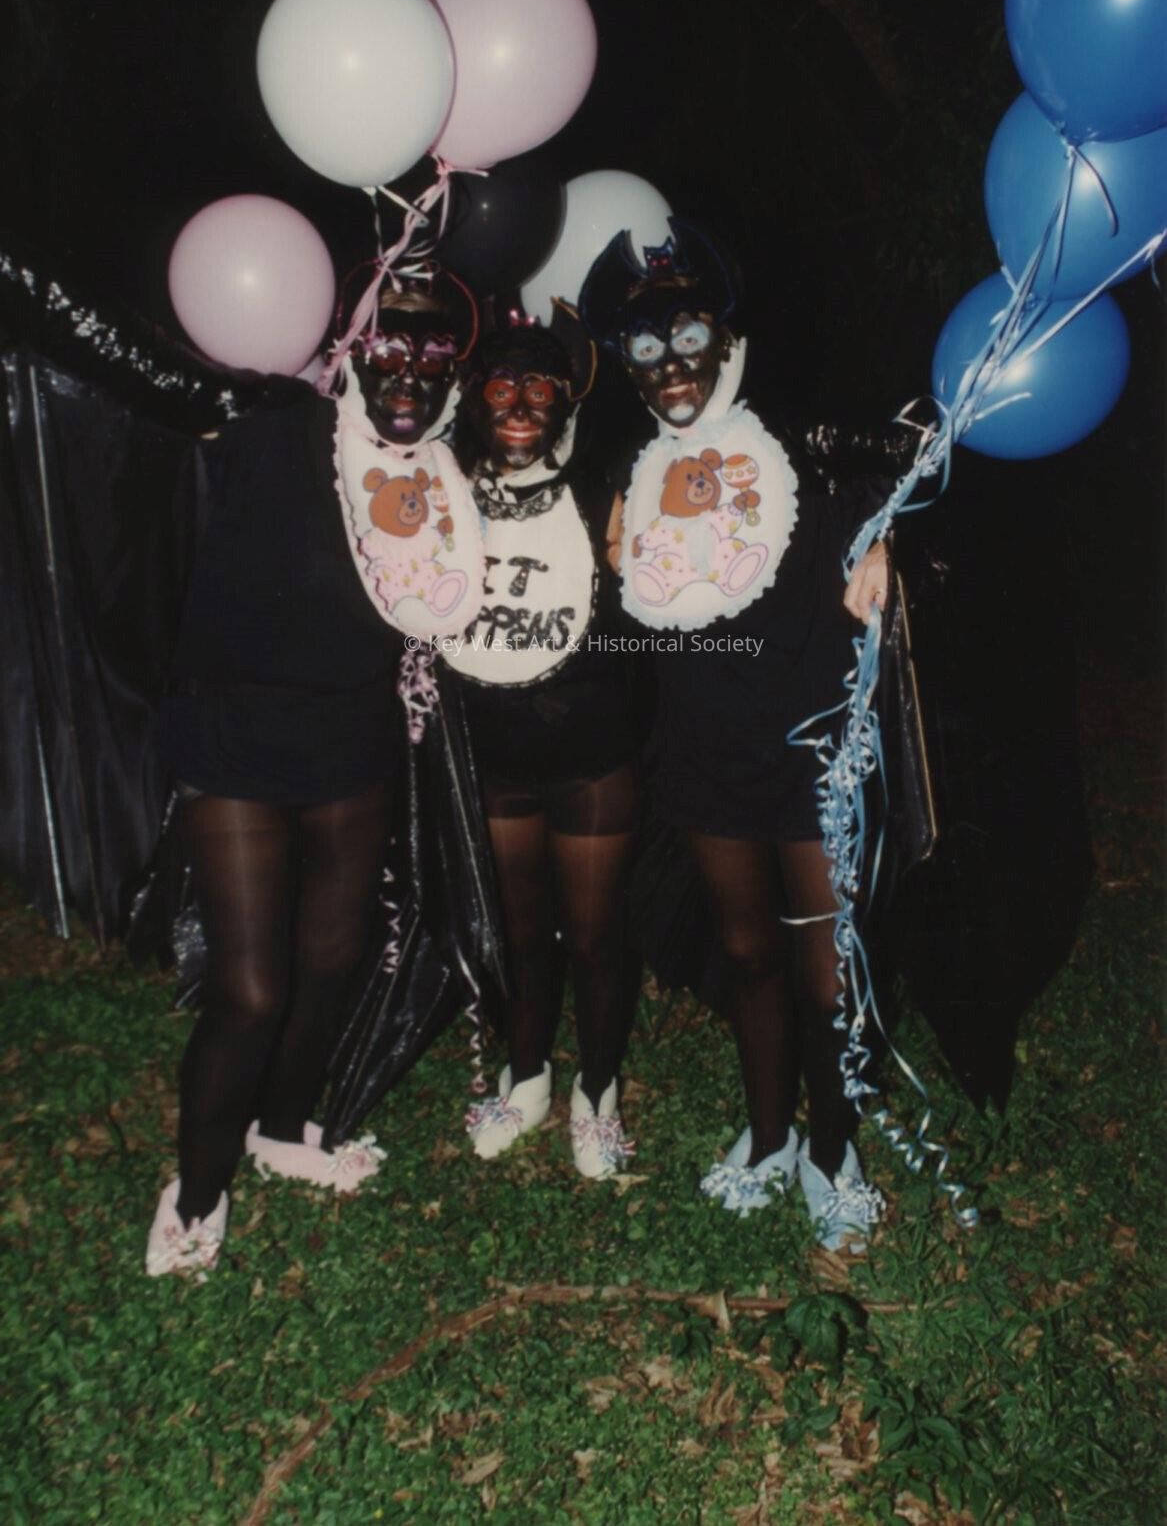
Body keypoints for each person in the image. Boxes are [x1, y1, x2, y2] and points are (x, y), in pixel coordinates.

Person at [144, 263, 485, 1275]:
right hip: (237, 731)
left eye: (434, 353)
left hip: (350, 733)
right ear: (353, 349)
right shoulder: (281, 422)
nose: (410, 371)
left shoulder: (443, 470)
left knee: (335, 956)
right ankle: (195, 1195)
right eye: (391, 346)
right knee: (252, 991)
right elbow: (163, 391)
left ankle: (284, 1129)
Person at [580, 222, 898, 1252]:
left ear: (725, 340)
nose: (671, 365)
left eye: (688, 338)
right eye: (646, 349)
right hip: (708, 752)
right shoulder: (631, 469)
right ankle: (768, 1135)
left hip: (810, 751)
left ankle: (831, 1149)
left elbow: (909, 451)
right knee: (749, 952)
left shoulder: (798, 439)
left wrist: (890, 535)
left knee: (827, 970)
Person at [443, 307, 639, 1180]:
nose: (519, 405)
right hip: (496, 755)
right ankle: (526, 1075)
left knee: (592, 934)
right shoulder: (444, 492)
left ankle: (598, 1090)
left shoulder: (603, 488)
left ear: (564, 400)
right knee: (521, 933)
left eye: (537, 388)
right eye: (500, 388)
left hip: (590, 751)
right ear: (474, 401)